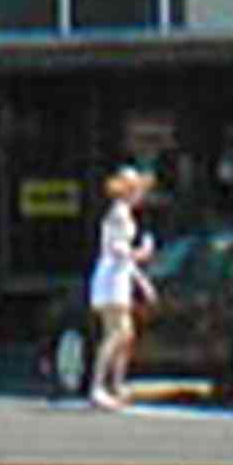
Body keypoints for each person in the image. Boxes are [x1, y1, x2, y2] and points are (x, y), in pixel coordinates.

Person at [85, 162, 157, 408]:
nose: (139, 194)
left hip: (119, 276)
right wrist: (142, 253)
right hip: (111, 278)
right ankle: (98, 386)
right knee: (117, 332)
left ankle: (115, 385)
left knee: (124, 333)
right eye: (135, 189)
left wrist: (141, 280)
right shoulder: (119, 213)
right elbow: (116, 249)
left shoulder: (123, 212)